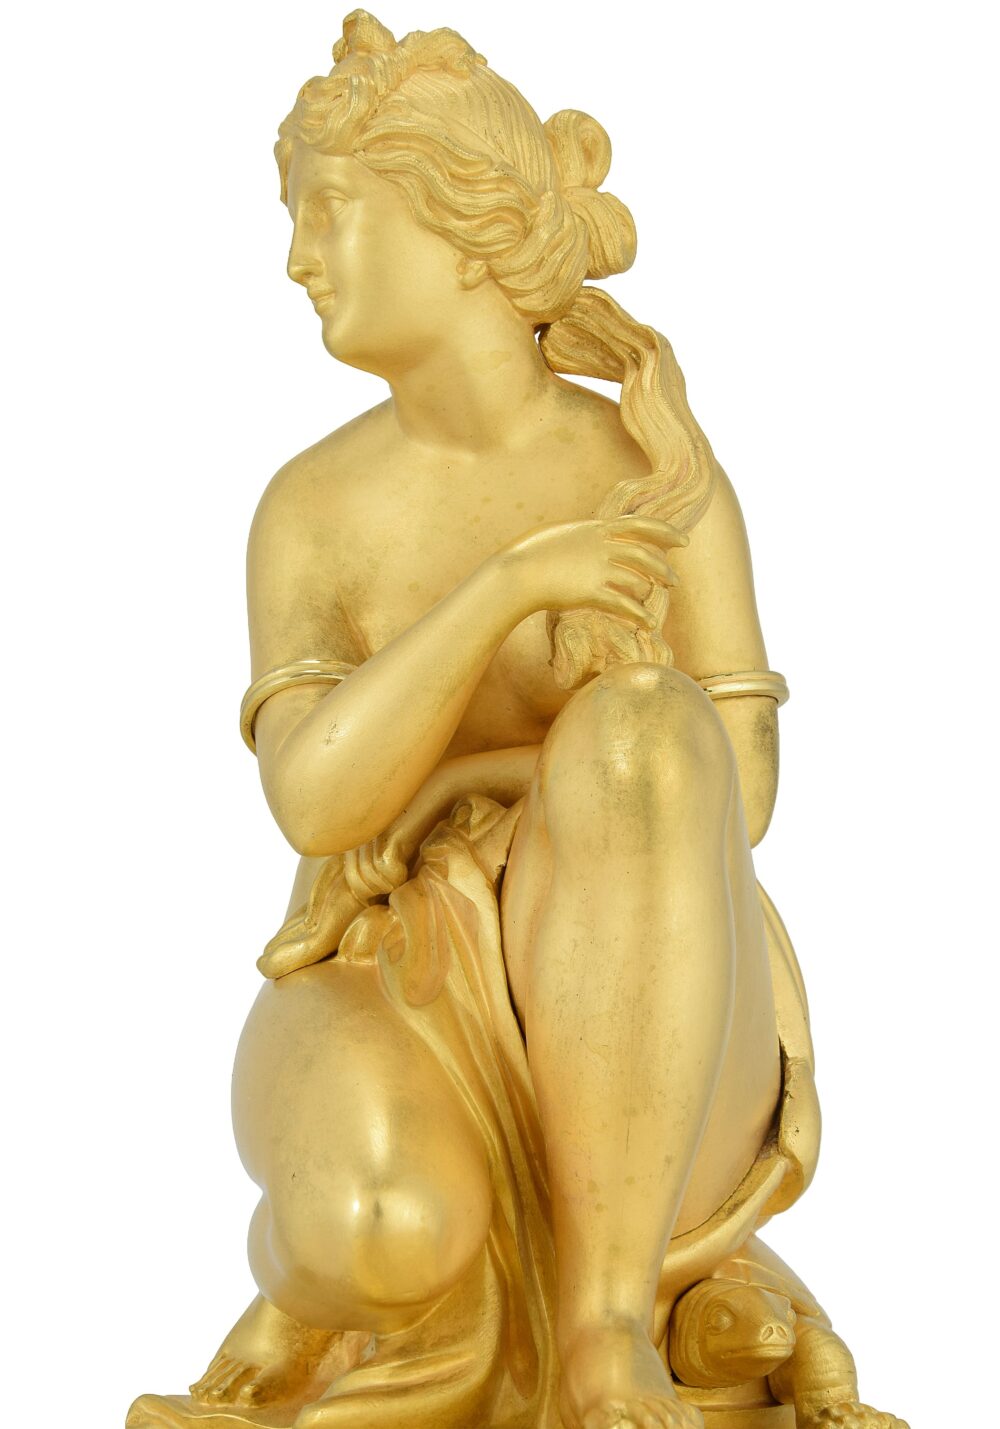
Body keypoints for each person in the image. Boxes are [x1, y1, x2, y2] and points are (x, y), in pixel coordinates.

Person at [128, 13, 830, 1429]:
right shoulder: (311, 511)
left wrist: (520, 770)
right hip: (391, 969)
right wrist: (512, 589)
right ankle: (343, 1304)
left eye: (330, 210)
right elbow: (315, 804)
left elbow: (735, 794)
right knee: (380, 1232)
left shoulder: (654, 468)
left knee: (644, 728)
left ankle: (609, 1316)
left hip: (653, 994)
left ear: (459, 229)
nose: (298, 258)